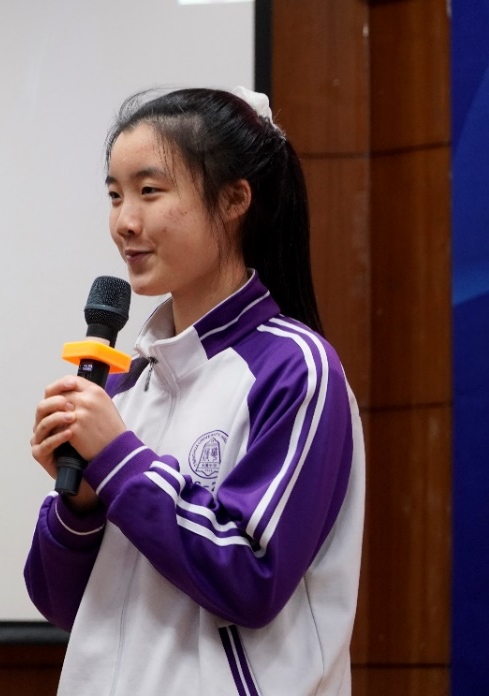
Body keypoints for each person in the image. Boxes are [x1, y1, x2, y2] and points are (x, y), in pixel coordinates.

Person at [24, 88, 365, 696]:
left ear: (234, 200)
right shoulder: (124, 383)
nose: (125, 222)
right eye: (115, 195)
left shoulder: (296, 368)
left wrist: (119, 461)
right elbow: (59, 602)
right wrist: (81, 503)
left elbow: (252, 577)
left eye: (150, 191)